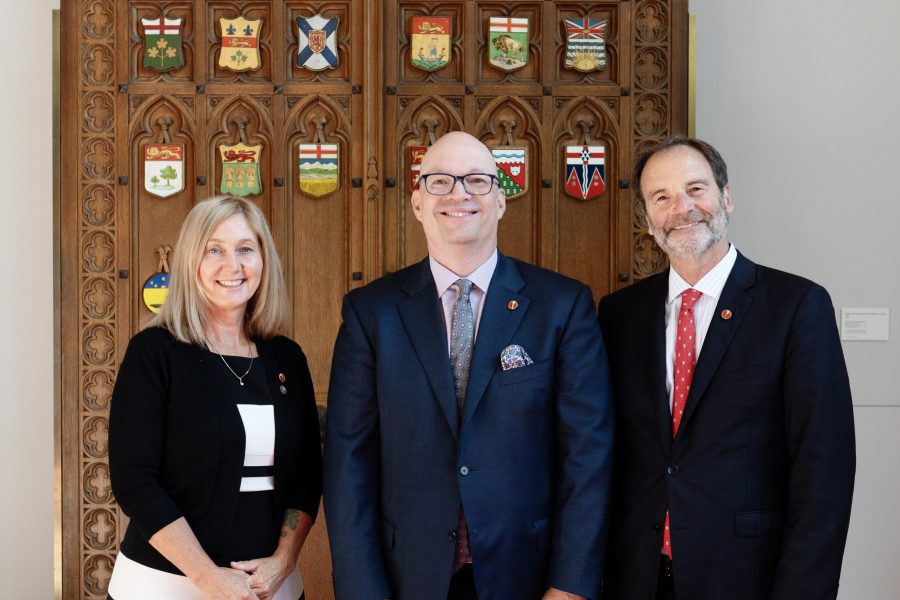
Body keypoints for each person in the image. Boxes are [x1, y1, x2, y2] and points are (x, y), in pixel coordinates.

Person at [323, 131, 614, 600]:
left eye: (477, 180)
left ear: (501, 200)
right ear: (417, 202)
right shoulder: (370, 312)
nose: (460, 193)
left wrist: (570, 585)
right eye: (439, 181)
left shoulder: (562, 306)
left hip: (529, 575)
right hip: (406, 578)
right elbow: (348, 464)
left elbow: (588, 456)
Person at [598, 137, 855, 600]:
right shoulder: (619, 314)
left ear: (726, 197)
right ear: (647, 217)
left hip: (746, 577)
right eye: (662, 197)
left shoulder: (796, 306)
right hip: (636, 576)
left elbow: (825, 473)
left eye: (696, 189)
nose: (682, 208)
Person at [108, 196, 322, 600]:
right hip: (165, 587)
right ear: (192, 261)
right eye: (215, 250)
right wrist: (209, 578)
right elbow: (135, 482)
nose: (233, 265)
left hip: (271, 587)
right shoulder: (154, 353)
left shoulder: (287, 359)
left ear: (263, 259)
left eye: (245, 249)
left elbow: (307, 476)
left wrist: (284, 559)